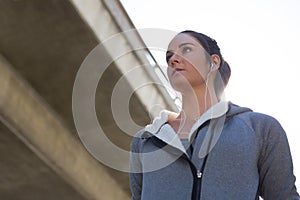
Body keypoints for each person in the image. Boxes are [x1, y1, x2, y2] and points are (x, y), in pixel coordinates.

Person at [129, 30, 299, 200]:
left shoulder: (260, 128)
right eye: (169, 57)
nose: (173, 60)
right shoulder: (144, 141)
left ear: (214, 62)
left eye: (186, 49)